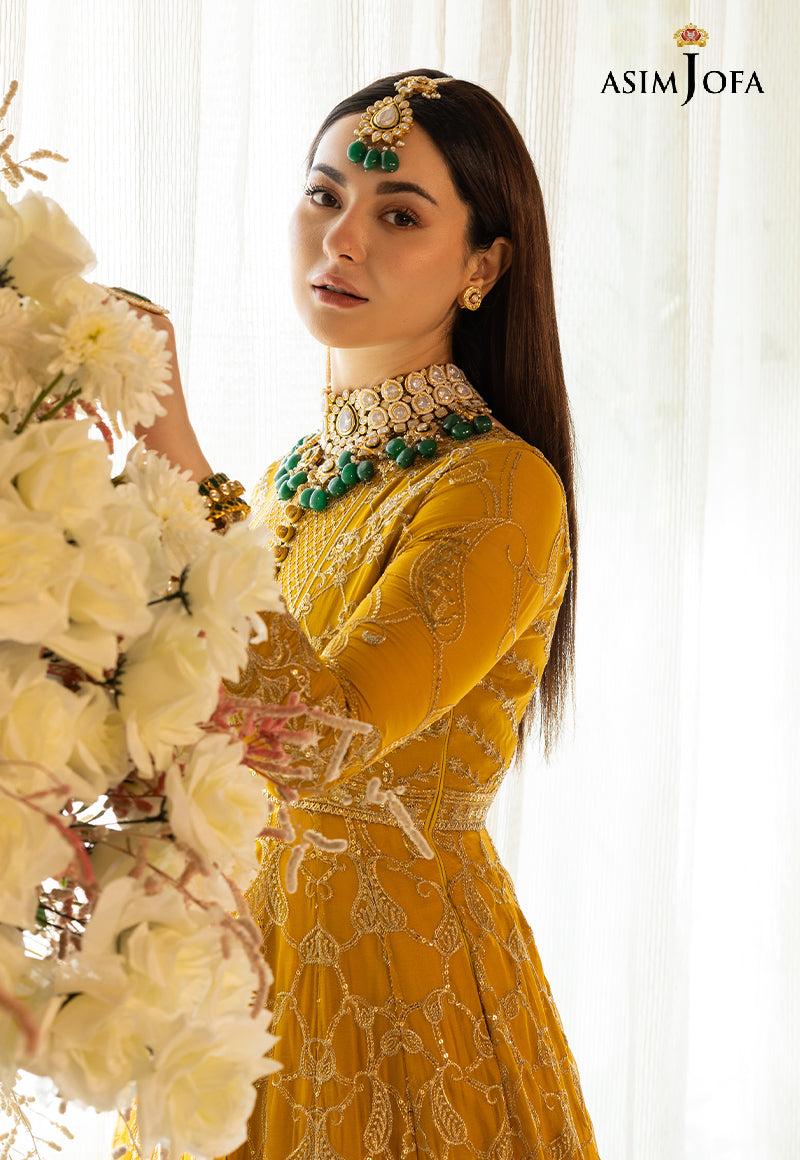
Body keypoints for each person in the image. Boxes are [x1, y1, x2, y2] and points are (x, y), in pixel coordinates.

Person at [116, 71, 600, 1160]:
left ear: (484, 266)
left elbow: (318, 738)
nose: (342, 239)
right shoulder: (293, 480)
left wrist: (173, 449)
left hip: (397, 991)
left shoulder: (499, 488)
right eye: (324, 195)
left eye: (399, 215)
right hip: (233, 980)